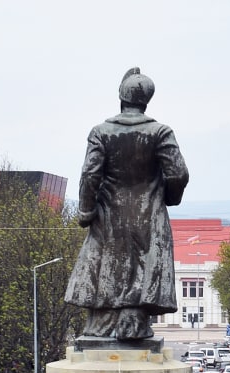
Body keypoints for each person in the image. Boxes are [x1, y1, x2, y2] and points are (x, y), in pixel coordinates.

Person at [65, 67, 190, 341]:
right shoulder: (160, 132)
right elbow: (179, 173)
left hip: (109, 217)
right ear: (146, 100)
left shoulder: (101, 132)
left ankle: (104, 326)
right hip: (149, 218)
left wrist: (86, 211)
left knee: (107, 268)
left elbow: (89, 175)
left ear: (121, 96)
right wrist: (169, 197)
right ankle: (134, 323)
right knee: (142, 270)